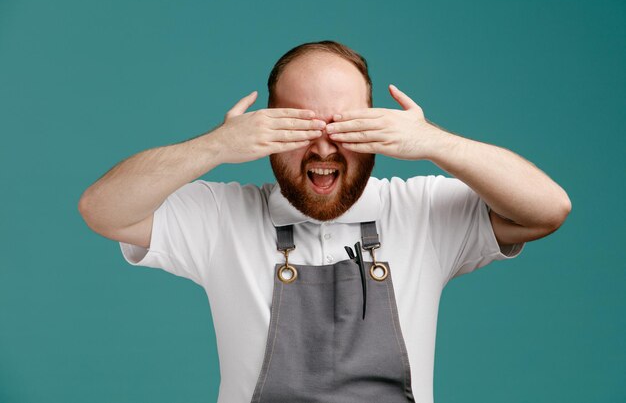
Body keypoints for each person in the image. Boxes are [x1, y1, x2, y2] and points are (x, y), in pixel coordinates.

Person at [78, 40, 571, 403]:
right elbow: (102, 209)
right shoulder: (221, 217)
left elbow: (548, 209)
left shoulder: (422, 211)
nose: (322, 146)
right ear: (266, 130)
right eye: (298, 125)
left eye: (345, 125)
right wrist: (214, 146)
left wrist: (436, 143)